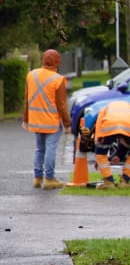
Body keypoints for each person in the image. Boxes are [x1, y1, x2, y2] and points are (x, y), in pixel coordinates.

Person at [22, 48, 72, 189]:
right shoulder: (58, 79)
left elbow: (27, 99)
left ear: (43, 60)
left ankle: (37, 178)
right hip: (52, 123)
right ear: (57, 62)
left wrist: (26, 119)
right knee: (51, 149)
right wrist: (67, 124)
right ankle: (49, 179)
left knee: (39, 149)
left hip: (36, 121)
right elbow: (62, 105)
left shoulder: (31, 75)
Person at [81, 99, 130, 189]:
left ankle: (108, 181)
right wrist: (119, 155)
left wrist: (98, 151)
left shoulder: (105, 109)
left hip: (109, 125)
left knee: (101, 153)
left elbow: (98, 129)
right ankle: (125, 181)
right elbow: (127, 136)